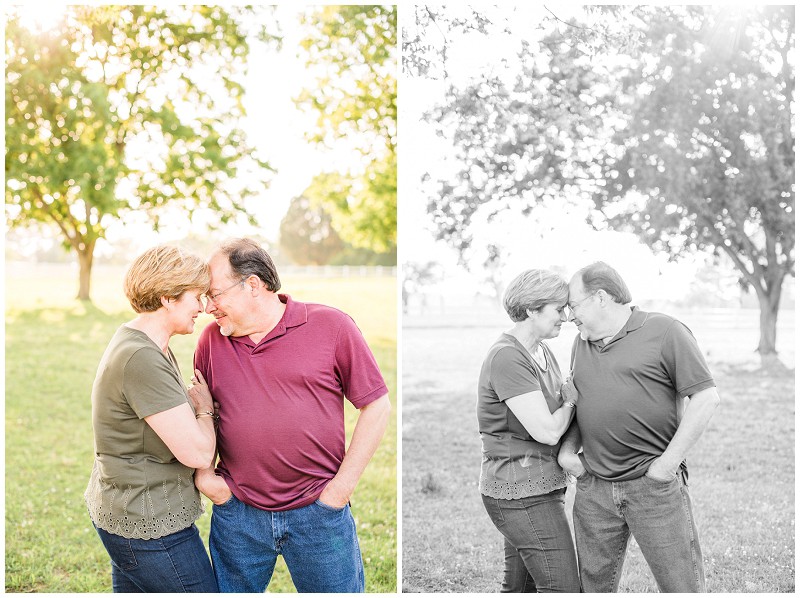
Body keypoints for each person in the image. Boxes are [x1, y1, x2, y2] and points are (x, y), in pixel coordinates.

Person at [192, 238, 391, 593]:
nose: (208, 306)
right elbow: (201, 413)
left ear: (252, 284)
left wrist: (339, 492)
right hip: (238, 515)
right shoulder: (210, 341)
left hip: (319, 514)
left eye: (215, 294)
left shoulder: (331, 326)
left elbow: (376, 405)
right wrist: (208, 480)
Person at [558, 261, 721, 592]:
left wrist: (665, 466)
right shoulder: (581, 342)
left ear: (600, 298)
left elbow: (706, 398)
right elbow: (581, 401)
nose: (568, 316)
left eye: (573, 306)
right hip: (595, 488)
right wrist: (567, 454)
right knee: (593, 589)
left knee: (682, 587)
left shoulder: (665, 331)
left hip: (654, 489)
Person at [84, 245, 219, 593]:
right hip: (149, 524)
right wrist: (205, 409)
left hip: (129, 509)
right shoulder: (141, 356)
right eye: (196, 296)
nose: (203, 307)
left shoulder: (147, 341)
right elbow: (199, 455)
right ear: (166, 298)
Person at [477, 269, 582, 593]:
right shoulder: (508, 356)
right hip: (520, 494)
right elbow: (549, 431)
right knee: (562, 588)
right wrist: (571, 400)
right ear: (531, 310)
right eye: (558, 309)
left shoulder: (542, 350)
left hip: (539, 487)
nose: (566, 316)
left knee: (520, 589)